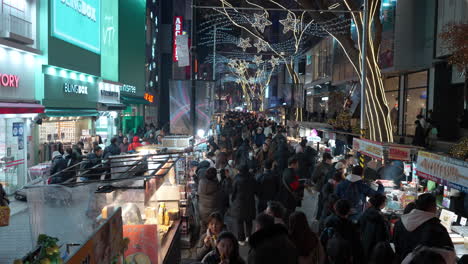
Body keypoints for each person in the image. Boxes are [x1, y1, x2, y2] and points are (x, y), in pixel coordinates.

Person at [393, 193, 454, 262]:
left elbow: (396, 246)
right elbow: (448, 255)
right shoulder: (436, 228)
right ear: (432, 207)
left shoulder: (400, 222)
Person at [358, 193, 390, 261]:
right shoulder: (381, 218)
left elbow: (361, 228)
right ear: (381, 203)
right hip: (377, 248)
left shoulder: (365, 213)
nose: (385, 203)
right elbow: (385, 235)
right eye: (384, 202)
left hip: (365, 244)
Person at [231, 165, 256, 245]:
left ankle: (241, 239)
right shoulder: (252, 178)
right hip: (250, 202)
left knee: (239, 222)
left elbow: (233, 192)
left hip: (239, 203)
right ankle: (248, 236)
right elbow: (256, 189)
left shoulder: (237, 179)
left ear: (240, 171)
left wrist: (233, 200)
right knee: (249, 220)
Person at [198, 168, 223, 233]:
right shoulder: (216, 185)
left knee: (203, 228)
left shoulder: (201, 182)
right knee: (213, 228)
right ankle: (213, 241)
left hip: (202, 210)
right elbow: (220, 197)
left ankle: (202, 240)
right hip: (213, 212)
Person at [312, 152, 334, 220]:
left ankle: (318, 218)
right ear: (327, 159)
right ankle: (318, 218)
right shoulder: (321, 167)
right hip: (321, 188)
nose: (331, 161)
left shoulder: (327, 166)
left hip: (322, 188)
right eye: (330, 159)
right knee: (320, 204)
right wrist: (320, 180)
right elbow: (314, 177)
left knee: (321, 204)